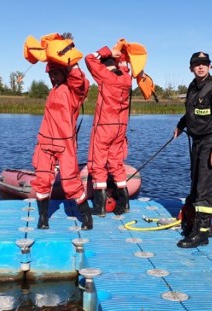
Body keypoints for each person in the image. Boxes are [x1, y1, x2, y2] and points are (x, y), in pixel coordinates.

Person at [174, 51, 212, 248]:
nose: (200, 67)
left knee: (205, 186)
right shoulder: (193, 86)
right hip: (196, 141)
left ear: (209, 67)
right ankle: (203, 226)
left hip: (211, 141)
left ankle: (201, 233)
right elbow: (191, 111)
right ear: (191, 68)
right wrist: (181, 125)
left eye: (204, 64)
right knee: (196, 181)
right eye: (197, 64)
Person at [30, 57, 93, 230]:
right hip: (45, 142)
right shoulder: (53, 91)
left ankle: (86, 216)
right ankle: (43, 218)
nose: (54, 77)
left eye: (57, 73)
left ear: (65, 72)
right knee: (42, 180)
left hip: (64, 143)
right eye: (51, 74)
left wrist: (69, 58)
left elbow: (79, 81)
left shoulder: (74, 91)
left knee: (70, 182)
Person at [84, 42, 133, 217]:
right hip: (120, 127)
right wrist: (119, 54)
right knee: (116, 163)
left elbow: (89, 59)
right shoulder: (127, 78)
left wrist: (106, 51)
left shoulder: (105, 76)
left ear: (104, 65)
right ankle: (125, 203)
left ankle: (99, 207)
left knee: (98, 164)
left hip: (105, 125)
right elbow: (124, 65)